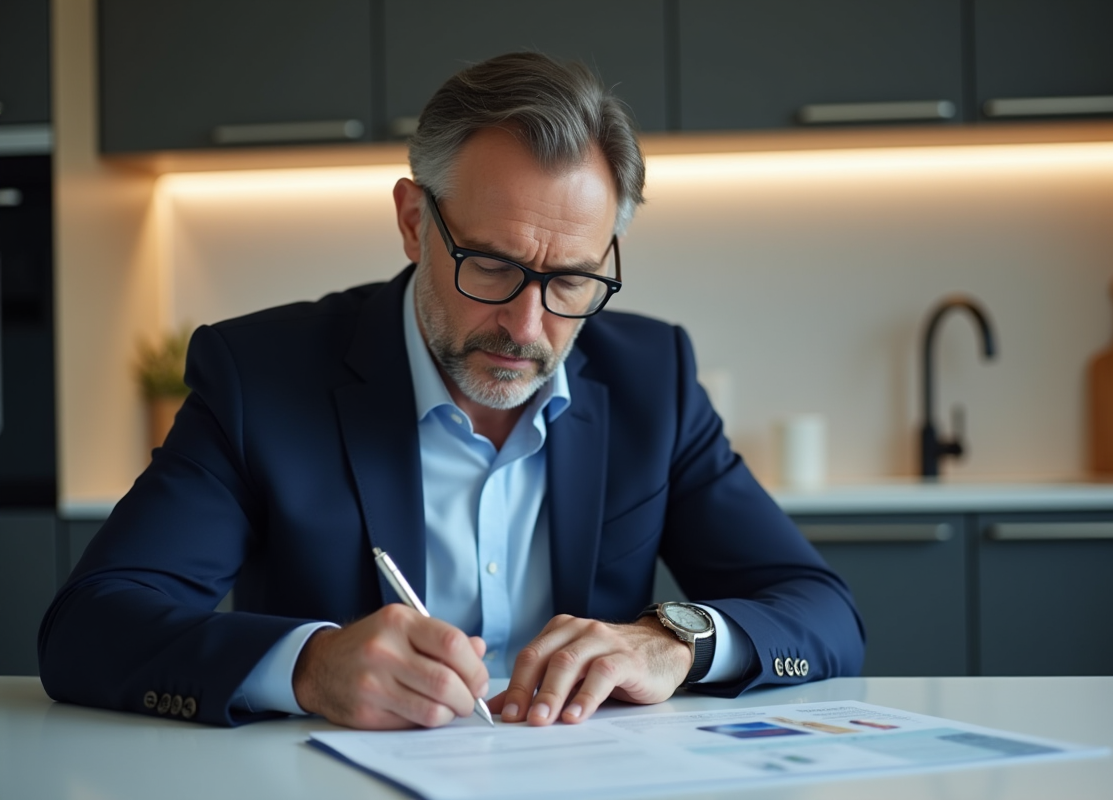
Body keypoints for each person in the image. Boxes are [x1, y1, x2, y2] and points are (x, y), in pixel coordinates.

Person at [39, 52, 864, 729]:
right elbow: (91, 625)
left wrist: (672, 642)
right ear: (411, 222)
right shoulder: (262, 377)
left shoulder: (653, 379)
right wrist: (310, 667)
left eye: (572, 280)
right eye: (494, 267)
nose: (528, 328)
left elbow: (822, 612)